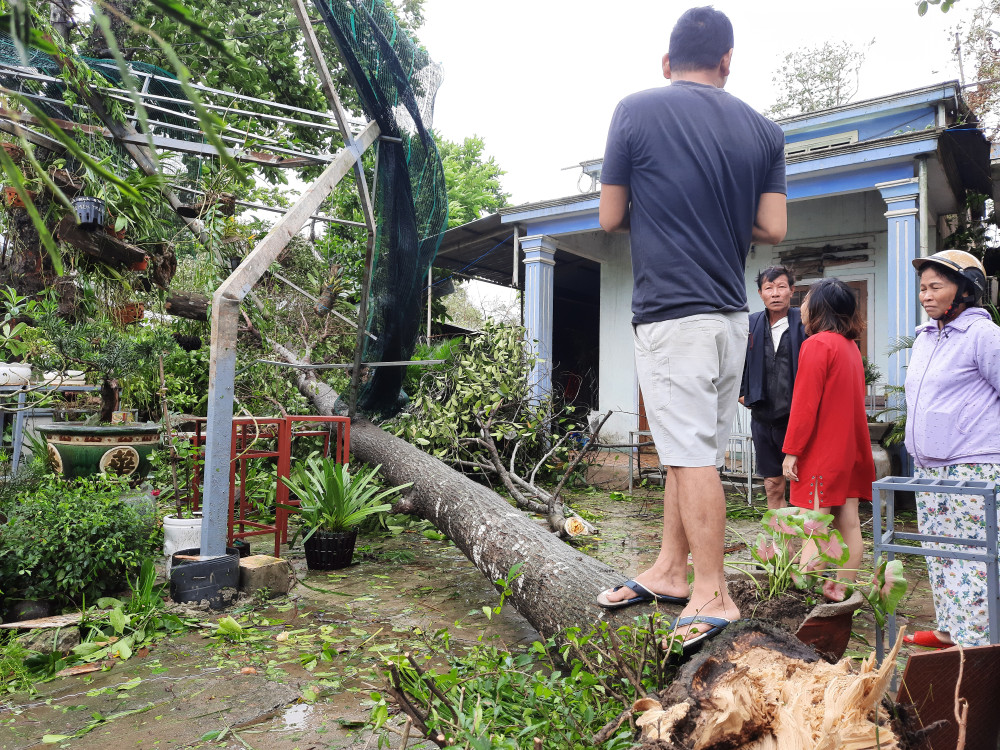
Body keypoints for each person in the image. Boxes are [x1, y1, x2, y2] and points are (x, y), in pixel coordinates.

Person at [595, 6, 787, 650]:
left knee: (686, 455)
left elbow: (609, 213)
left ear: (666, 61)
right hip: (733, 318)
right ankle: (670, 571)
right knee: (690, 449)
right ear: (728, 61)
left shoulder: (635, 108)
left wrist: (664, 204)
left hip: (673, 314)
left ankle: (713, 591)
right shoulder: (765, 131)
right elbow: (773, 229)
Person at [900, 250, 1000, 649]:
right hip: (930, 466)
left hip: (973, 467)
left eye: (936, 286)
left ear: (966, 289)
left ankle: (974, 643)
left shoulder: (983, 335)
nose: (926, 295)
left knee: (971, 560)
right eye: (922, 287)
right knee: (939, 555)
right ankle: (947, 629)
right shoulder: (926, 337)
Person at [781, 278, 875, 601]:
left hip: (822, 453)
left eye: (806, 300)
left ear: (820, 307)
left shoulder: (817, 345)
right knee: (849, 523)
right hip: (850, 451)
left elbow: (804, 405)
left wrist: (792, 451)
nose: (801, 306)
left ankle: (802, 601)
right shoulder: (851, 348)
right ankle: (839, 591)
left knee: (814, 529)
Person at [740, 266, 807, 510]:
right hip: (762, 417)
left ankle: (804, 543)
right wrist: (741, 393)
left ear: (792, 290)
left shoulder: (804, 322)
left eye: (781, 287)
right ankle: (780, 545)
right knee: (772, 484)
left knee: (801, 484)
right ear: (760, 293)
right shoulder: (751, 324)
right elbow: (737, 362)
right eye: (769, 288)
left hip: (796, 419)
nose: (775, 293)